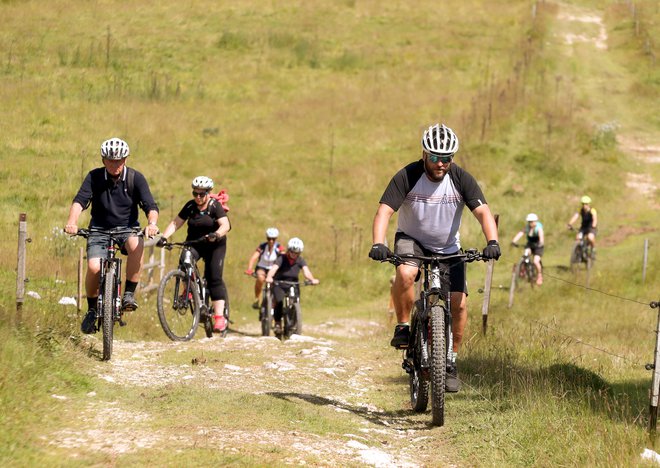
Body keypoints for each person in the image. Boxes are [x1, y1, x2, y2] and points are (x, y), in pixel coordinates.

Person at [368, 123, 500, 393]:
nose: (441, 164)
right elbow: (384, 212)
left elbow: (484, 213)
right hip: (411, 240)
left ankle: (450, 361)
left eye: (447, 158)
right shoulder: (408, 175)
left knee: (459, 304)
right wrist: (378, 243)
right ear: (424, 154)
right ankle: (404, 326)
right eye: (435, 157)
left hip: (448, 246)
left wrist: (492, 242)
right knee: (405, 274)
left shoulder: (461, 179)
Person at [64, 137, 160, 334]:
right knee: (93, 266)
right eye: (110, 160)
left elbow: (150, 206)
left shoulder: (136, 178)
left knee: (137, 244)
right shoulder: (94, 177)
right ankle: (91, 309)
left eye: (119, 160)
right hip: (99, 229)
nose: (115, 164)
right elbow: (80, 201)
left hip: (127, 228)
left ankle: (128, 295)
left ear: (125, 159)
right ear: (103, 160)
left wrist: (152, 224)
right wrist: (72, 222)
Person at [158, 176, 231, 333]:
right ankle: (189, 289)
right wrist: (164, 237)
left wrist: (217, 234)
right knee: (184, 259)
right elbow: (176, 222)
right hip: (195, 243)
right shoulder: (190, 206)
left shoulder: (214, 206)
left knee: (214, 277)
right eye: (195, 193)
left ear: (208, 193)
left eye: (201, 194)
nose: (198, 197)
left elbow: (226, 225)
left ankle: (219, 317)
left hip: (214, 245)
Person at [265, 237, 320, 335]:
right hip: (280, 283)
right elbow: (273, 269)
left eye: (297, 253)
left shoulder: (300, 260)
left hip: (293, 283)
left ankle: (293, 320)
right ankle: (277, 322)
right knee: (279, 301)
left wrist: (312, 279)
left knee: (295, 300)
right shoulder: (281, 258)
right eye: (292, 252)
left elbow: (306, 272)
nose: (294, 254)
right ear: (289, 250)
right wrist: (269, 277)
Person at [245, 227, 285, 310]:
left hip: (274, 269)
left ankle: (273, 305)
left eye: (273, 239)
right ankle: (257, 298)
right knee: (260, 278)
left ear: (276, 239)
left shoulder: (279, 247)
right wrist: (249, 268)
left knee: (276, 284)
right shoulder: (262, 246)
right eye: (269, 239)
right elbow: (253, 258)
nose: (271, 241)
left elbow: (283, 258)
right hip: (262, 267)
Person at [511, 213, 545, 285]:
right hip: (530, 244)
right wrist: (514, 241)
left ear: (535, 221)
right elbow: (521, 233)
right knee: (525, 255)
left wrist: (541, 242)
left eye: (532, 221)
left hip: (538, 246)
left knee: (536, 261)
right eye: (529, 222)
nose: (530, 223)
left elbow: (541, 236)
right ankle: (522, 270)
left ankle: (539, 276)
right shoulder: (527, 227)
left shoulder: (538, 228)